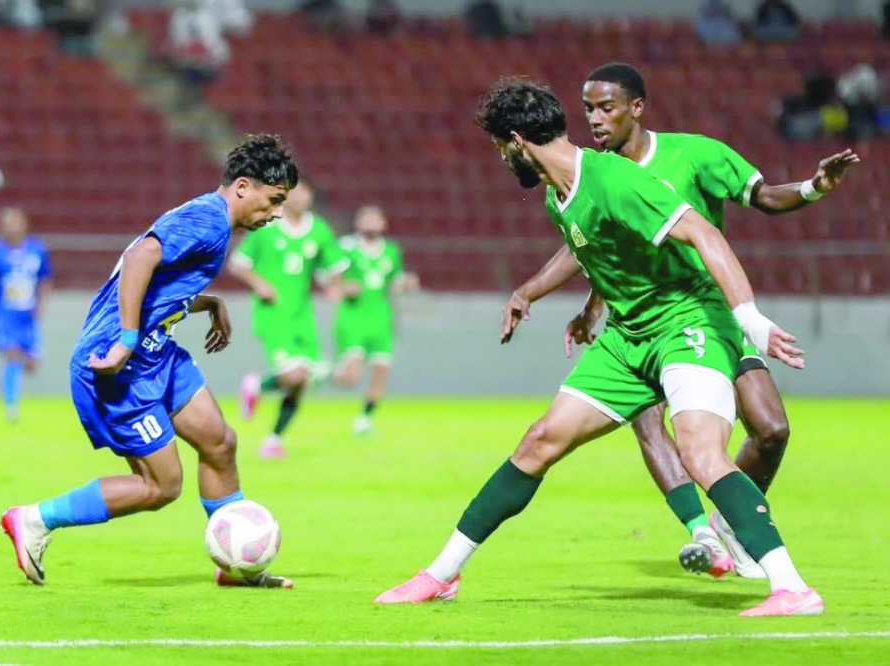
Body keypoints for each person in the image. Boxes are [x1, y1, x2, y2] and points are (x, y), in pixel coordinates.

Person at [375, 77, 823, 617]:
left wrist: (749, 320)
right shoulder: (556, 196)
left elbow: (705, 234)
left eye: (498, 147)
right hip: (627, 337)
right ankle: (440, 575)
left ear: (517, 140)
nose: (499, 159)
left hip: (687, 323)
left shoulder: (613, 179)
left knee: (701, 453)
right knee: (539, 441)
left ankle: (791, 587)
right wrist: (567, 304)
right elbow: (597, 256)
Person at [574, 62, 859, 578]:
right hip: (638, 326)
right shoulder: (594, 174)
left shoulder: (696, 154)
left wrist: (814, 187)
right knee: (648, 423)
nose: (593, 119)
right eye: (587, 108)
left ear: (637, 108)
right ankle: (701, 532)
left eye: (605, 107)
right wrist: (589, 308)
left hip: (706, 316)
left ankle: (727, 522)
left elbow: (766, 197)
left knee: (771, 429)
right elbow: (593, 250)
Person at [0, 134, 298, 589]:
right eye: (274, 200)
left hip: (158, 354)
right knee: (161, 487)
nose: (277, 213)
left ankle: (233, 567)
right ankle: (35, 519)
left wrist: (207, 303)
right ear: (243, 187)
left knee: (219, 442)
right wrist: (125, 340)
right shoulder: (209, 221)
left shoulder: (211, 220)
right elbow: (141, 258)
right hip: (120, 364)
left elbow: (162, 282)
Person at [230, 178, 348, 459]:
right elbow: (239, 263)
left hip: (302, 315)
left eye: (305, 192)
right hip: (273, 314)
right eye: (294, 192)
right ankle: (257, 387)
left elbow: (333, 266)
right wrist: (259, 283)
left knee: (303, 382)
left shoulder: (318, 230)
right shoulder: (267, 227)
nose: (300, 198)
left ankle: (273, 438)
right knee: (294, 375)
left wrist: (334, 285)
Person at [329, 205, 419, 435]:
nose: (371, 222)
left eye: (376, 218)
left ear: (384, 223)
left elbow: (394, 280)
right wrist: (342, 287)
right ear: (358, 223)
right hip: (353, 318)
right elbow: (329, 277)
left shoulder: (391, 250)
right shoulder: (346, 247)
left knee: (381, 371)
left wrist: (407, 283)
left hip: (382, 317)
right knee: (351, 377)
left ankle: (364, 420)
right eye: (366, 218)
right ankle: (325, 373)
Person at [0, 207, 53, 422]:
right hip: (5, 315)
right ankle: (11, 407)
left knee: (31, 364)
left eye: (14, 221)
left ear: (24, 223)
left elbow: (45, 279)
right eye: (5, 223)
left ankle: (18, 374)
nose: (10, 227)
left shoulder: (37, 249)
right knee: (11, 355)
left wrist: (42, 304)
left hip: (28, 316)